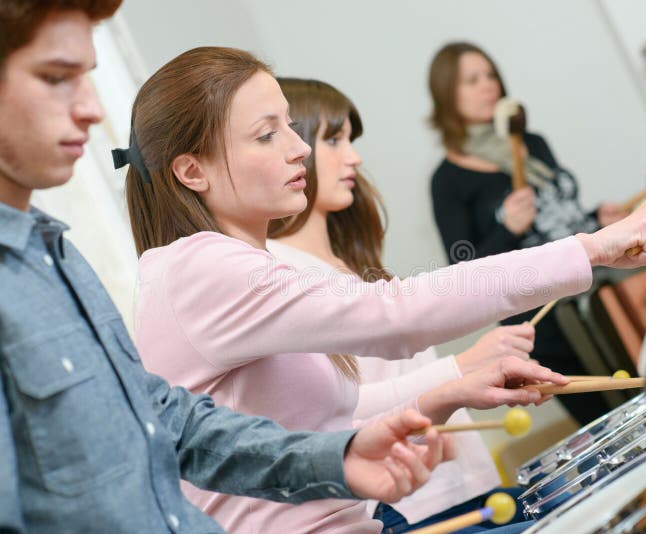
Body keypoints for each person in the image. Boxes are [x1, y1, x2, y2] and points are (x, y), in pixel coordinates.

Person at [121, 45, 646, 532]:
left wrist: (455, 382)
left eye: (290, 128)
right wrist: (593, 247)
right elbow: (396, 311)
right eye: (267, 135)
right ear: (190, 170)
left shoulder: (228, 268)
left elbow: (336, 417)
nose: (298, 147)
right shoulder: (199, 269)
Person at [0, 2, 456, 532]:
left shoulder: (58, 255)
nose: (91, 110)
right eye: (56, 77)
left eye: (86, 78)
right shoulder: (199, 267)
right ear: (191, 171)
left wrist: (336, 460)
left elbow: (172, 425)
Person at [267, 77, 539, 532]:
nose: (353, 157)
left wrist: (470, 372)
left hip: (460, 486)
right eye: (333, 139)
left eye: (350, 140)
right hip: (409, 507)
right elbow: (333, 413)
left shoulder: (349, 261)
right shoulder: (280, 272)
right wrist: (463, 367)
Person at [428, 41, 633, 425]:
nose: (488, 86)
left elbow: (557, 227)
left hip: (600, 296)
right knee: (613, 422)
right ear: (447, 96)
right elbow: (463, 270)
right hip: (550, 325)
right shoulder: (448, 181)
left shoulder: (532, 143)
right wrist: (507, 229)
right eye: (472, 80)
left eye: (491, 75)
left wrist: (595, 219)